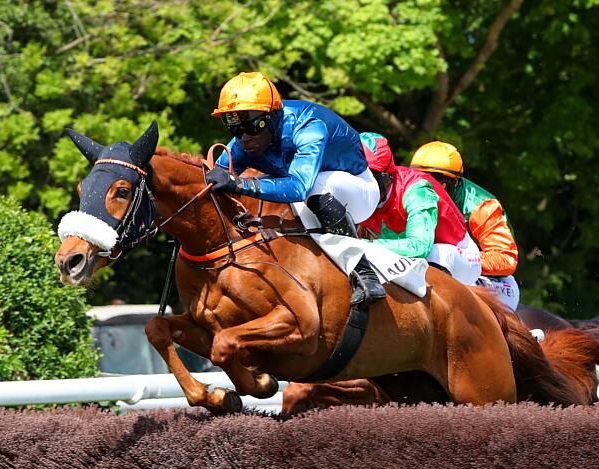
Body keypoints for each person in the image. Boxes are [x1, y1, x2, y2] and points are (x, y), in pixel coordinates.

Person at [206, 71, 385, 307]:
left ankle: (364, 274)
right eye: (235, 129)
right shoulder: (243, 143)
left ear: (273, 116)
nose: (245, 138)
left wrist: (239, 184)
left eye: (252, 126)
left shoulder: (309, 125)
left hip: (358, 192)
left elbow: (299, 187)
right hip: (310, 202)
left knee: (313, 186)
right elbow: (213, 179)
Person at [358, 132, 481, 285]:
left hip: (459, 257)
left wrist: (363, 245)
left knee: (437, 254)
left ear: (386, 177)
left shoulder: (417, 190)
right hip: (415, 251)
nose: (361, 185)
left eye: (370, 177)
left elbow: (419, 247)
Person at [410, 141, 520, 310]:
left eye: (436, 183)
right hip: (435, 268)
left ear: (455, 182)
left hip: (494, 284)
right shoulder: (410, 195)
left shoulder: (482, 206)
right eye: (420, 180)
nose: (427, 190)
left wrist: (460, 260)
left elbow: (506, 259)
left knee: (439, 253)